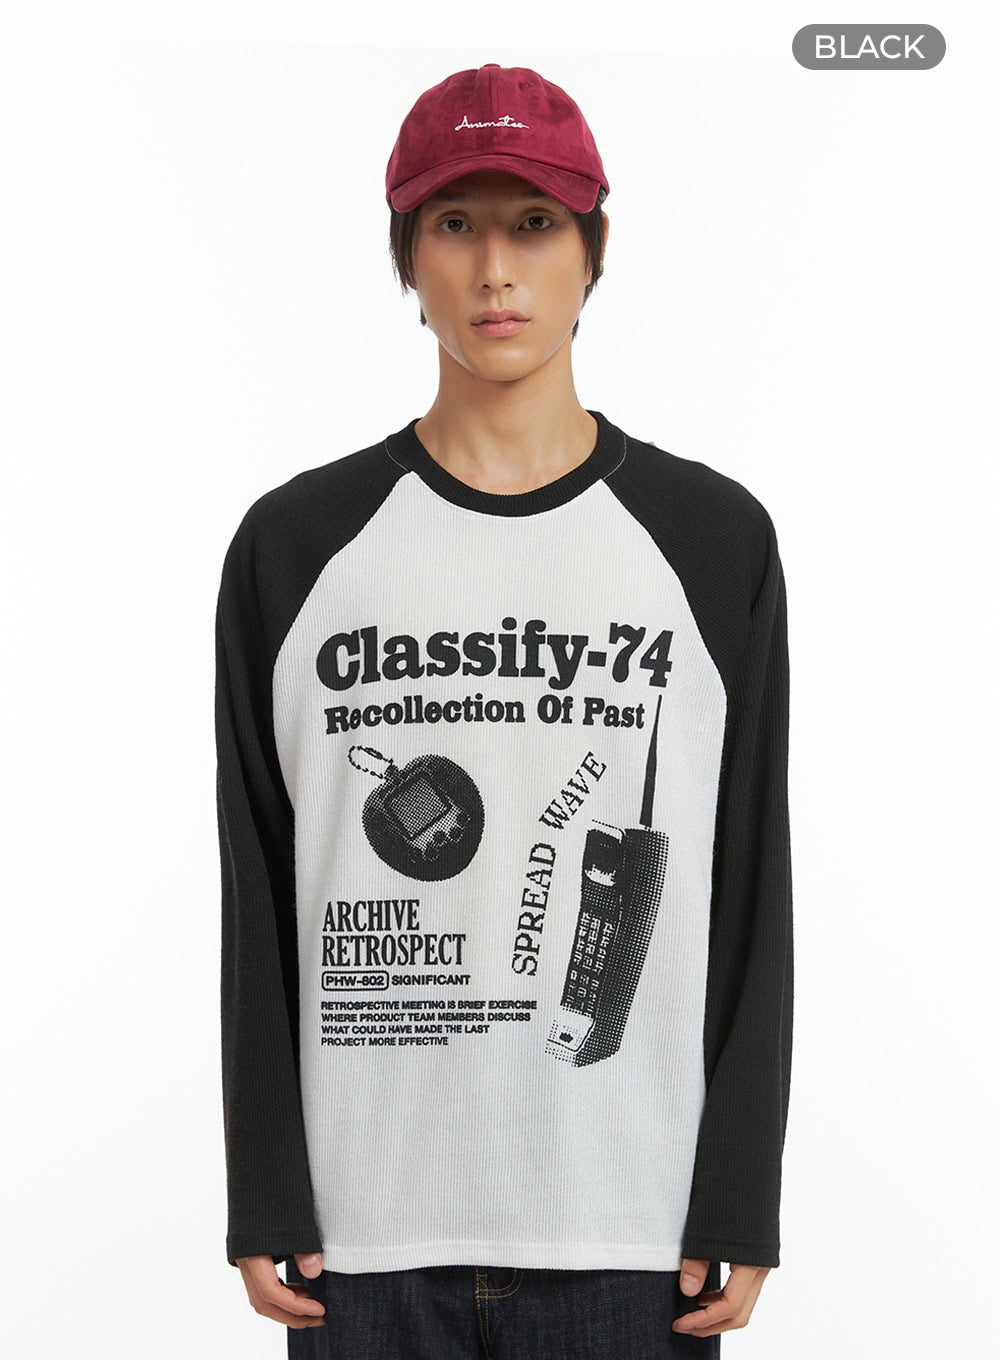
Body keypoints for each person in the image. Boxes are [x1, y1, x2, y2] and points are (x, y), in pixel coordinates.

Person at [214, 62, 794, 1359]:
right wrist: (264, 1185)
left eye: (534, 224)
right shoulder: (294, 546)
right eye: (455, 224)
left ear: (594, 252)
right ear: (406, 258)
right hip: (359, 1240)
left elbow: (753, 876)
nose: (494, 272)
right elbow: (256, 883)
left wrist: (740, 1192)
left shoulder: (712, 540)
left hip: (632, 1232)